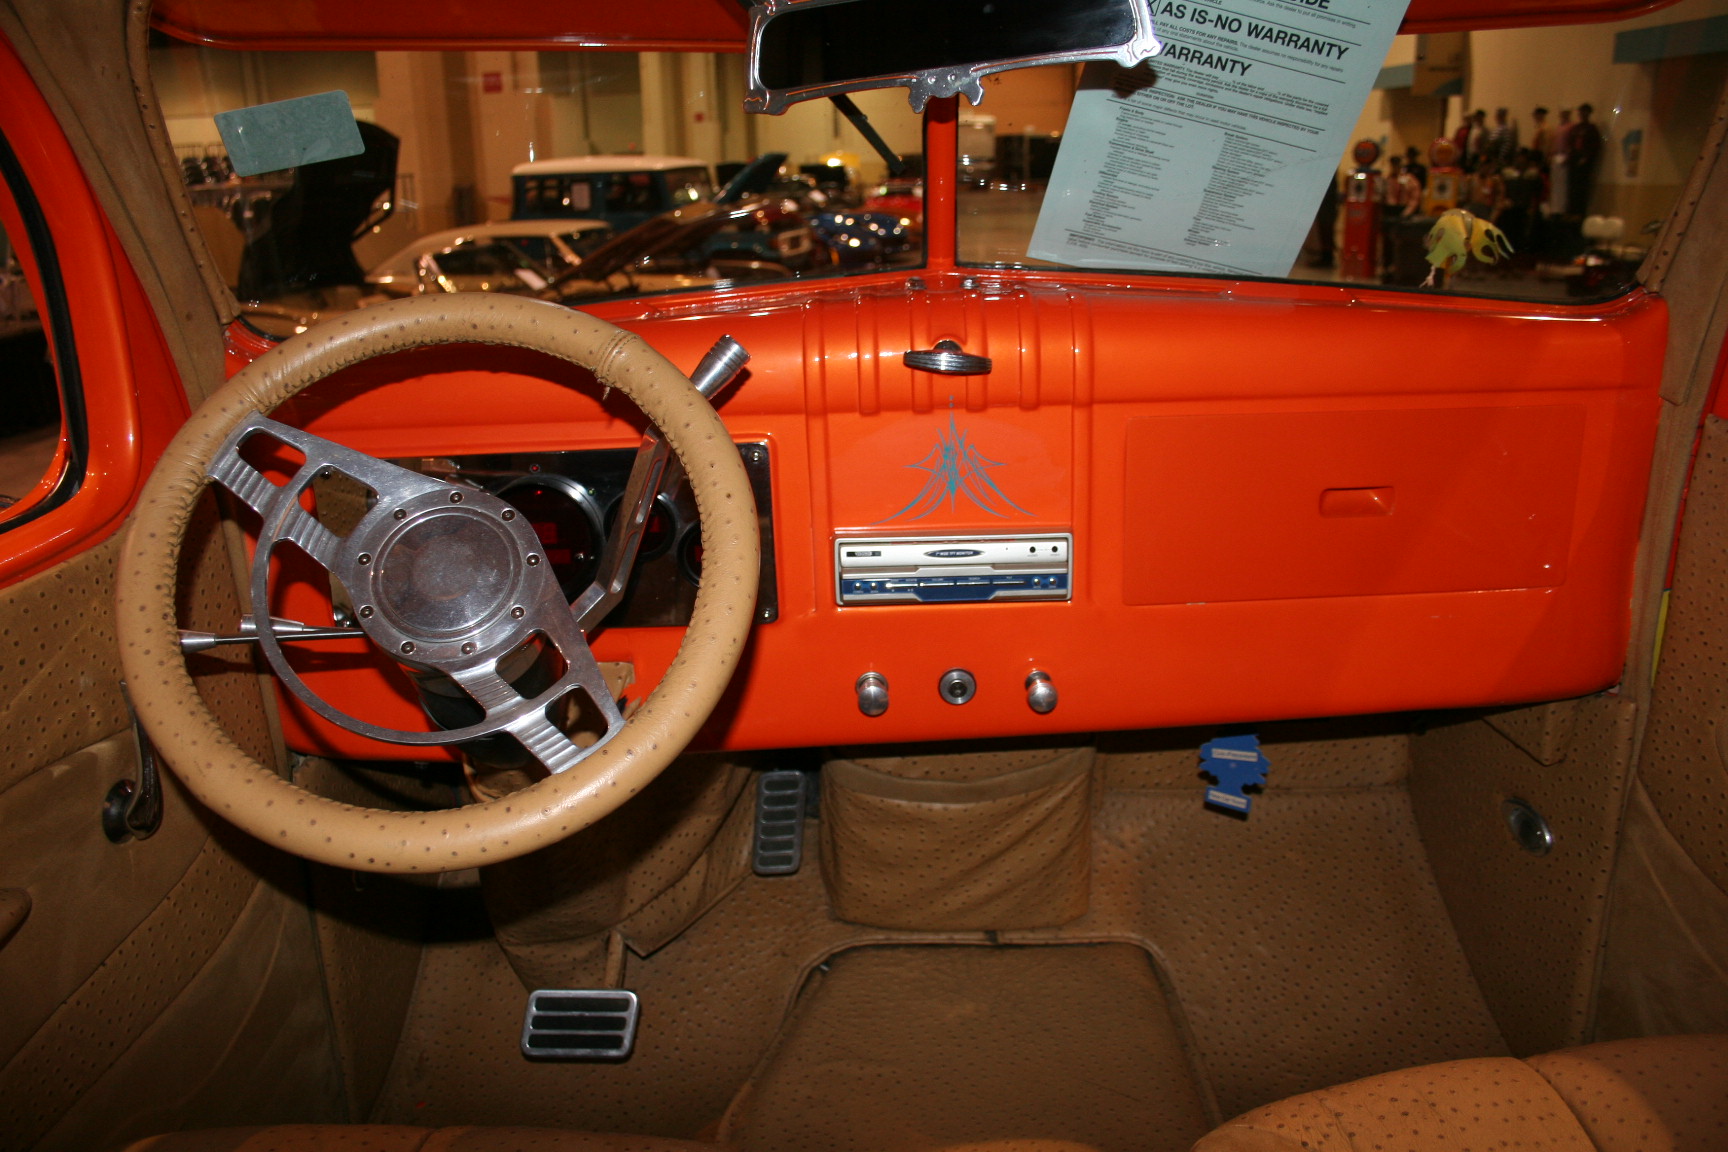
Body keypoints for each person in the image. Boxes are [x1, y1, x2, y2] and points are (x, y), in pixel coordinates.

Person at [1566, 103, 1604, 216]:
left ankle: (1579, 213)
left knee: (1581, 188)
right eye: (1581, 112)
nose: (1582, 114)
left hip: (1584, 161)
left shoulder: (1591, 129)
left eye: (1584, 112)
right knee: (1571, 188)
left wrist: (1586, 158)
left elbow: (1594, 146)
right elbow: (1570, 143)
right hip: (1574, 159)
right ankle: (1571, 212)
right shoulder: (1575, 128)